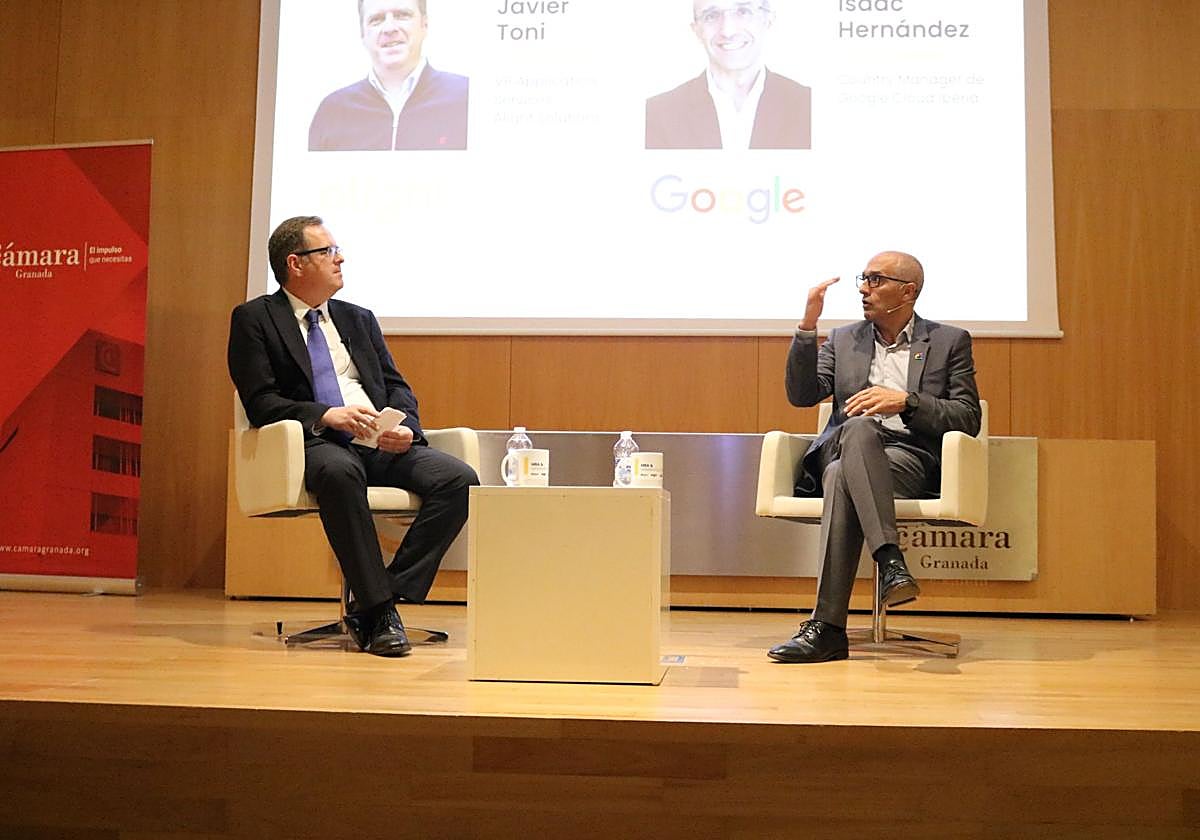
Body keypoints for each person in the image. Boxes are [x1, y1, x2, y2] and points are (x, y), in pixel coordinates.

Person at [228, 216, 479, 656]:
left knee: (458, 480)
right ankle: (381, 613)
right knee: (341, 474)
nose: (339, 258)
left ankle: (376, 598)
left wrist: (405, 428)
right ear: (295, 263)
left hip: (377, 441)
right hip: (316, 442)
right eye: (327, 251)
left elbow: (396, 385)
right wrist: (328, 415)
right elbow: (260, 401)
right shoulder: (256, 319)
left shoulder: (357, 319)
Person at [768, 252, 981, 663]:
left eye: (876, 280)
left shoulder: (949, 341)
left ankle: (828, 629)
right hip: (848, 443)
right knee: (858, 428)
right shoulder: (845, 339)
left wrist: (906, 402)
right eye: (862, 279)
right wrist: (807, 329)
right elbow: (801, 394)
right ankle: (890, 560)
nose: (864, 289)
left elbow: (967, 417)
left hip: (907, 458)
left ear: (908, 291)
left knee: (837, 479)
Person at [645, 1, 811, 150]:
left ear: (768, 20)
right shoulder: (656, 115)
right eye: (711, 15)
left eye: (743, 11)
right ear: (696, 30)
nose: (728, 30)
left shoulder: (810, 107)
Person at [308, 0, 469, 151]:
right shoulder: (333, 112)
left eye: (401, 15)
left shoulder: (467, 98)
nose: (389, 28)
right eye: (376, 19)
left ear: (424, 25)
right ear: (362, 33)